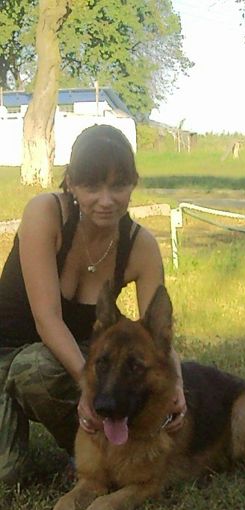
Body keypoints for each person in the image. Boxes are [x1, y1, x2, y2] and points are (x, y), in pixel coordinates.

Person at [0, 124, 186, 485]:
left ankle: (83, 448)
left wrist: (177, 385)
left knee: (39, 370)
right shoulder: (45, 213)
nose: (106, 200)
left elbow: (158, 335)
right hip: (7, 351)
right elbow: (47, 320)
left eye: (118, 185)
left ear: (133, 184)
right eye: (92, 186)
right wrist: (87, 389)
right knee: (6, 474)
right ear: (70, 183)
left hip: (54, 362)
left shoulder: (141, 246)